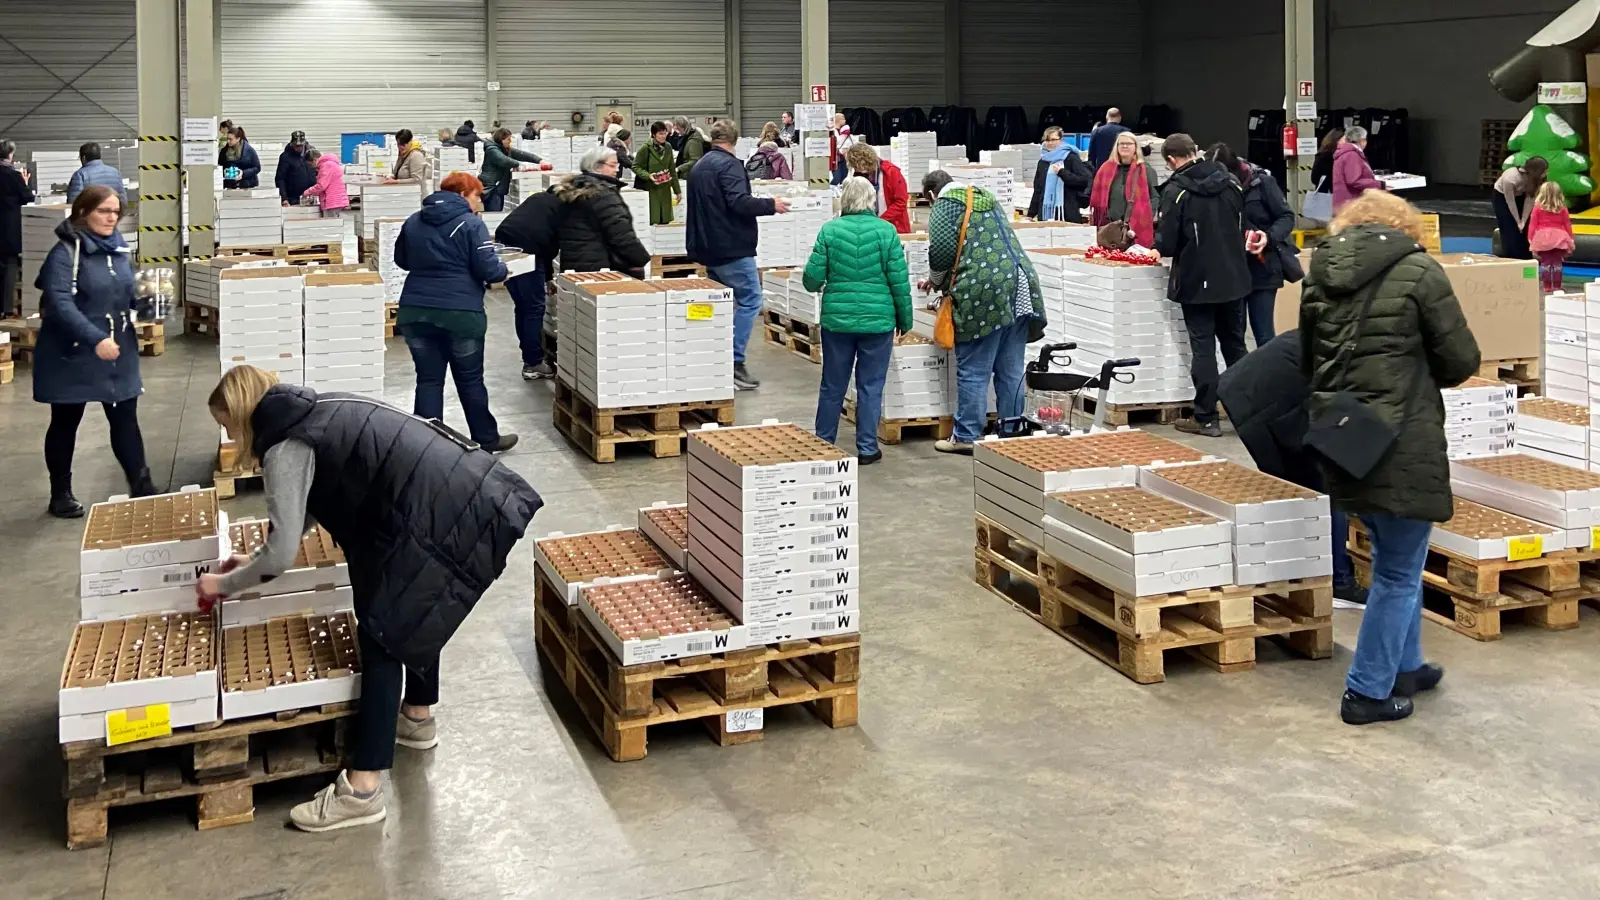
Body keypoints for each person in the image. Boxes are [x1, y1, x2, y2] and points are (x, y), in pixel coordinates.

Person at [198, 365, 542, 832]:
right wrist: (254, 559)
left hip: (434, 506)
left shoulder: (285, 447)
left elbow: (280, 556)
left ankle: (362, 790)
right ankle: (417, 717)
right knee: (419, 606)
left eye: (228, 426)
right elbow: (306, 506)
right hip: (450, 488)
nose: (230, 438)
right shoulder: (312, 410)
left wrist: (221, 586)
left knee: (383, 633)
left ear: (242, 416)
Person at [1299, 191, 1480, 726]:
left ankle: (1407, 665)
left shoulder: (1319, 274)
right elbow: (1460, 361)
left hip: (1343, 433)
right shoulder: (1420, 272)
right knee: (1399, 571)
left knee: (1393, 552)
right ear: (1405, 228)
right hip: (1402, 436)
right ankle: (1367, 691)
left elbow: (1307, 359)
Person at [1217, 332, 1367, 609]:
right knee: (1327, 487)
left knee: (1309, 479)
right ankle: (1339, 582)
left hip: (1260, 385)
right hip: (1261, 398)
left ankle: (1301, 561)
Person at [34, 184, 156, 516]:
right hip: (72, 351)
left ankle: (142, 487)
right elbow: (59, 303)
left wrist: (151, 302)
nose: (111, 217)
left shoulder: (118, 249)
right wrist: (94, 338)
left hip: (117, 350)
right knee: (65, 420)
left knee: (125, 417)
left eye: (116, 212)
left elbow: (127, 291)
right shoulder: (65, 253)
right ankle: (60, 493)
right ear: (83, 212)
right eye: (104, 211)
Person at [921, 170, 1044, 455]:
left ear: (931, 194)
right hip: (1020, 283)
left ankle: (966, 435)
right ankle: (1011, 432)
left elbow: (941, 251)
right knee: (1010, 369)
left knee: (974, 368)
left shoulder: (946, 204)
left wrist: (936, 281)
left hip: (984, 290)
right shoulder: (984, 197)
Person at [393, 172, 518, 452]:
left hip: (415, 309)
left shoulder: (414, 220)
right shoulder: (471, 224)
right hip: (460, 312)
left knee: (428, 379)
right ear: (463, 194)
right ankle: (486, 439)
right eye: (477, 196)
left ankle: (424, 446)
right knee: (470, 379)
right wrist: (505, 269)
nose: (479, 203)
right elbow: (488, 269)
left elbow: (401, 260)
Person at [803, 176, 913, 464]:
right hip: (878, 322)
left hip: (837, 322)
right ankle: (866, 448)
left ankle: (824, 443)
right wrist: (906, 319)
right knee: (870, 386)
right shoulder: (886, 232)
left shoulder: (830, 230)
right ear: (871, 201)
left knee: (832, 385)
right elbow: (899, 281)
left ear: (845, 200)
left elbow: (811, 279)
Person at [1152, 133, 1255, 438]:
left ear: (1171, 160)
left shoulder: (1176, 191)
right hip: (1234, 277)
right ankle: (1250, 414)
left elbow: (1168, 243)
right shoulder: (1231, 182)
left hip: (1197, 281)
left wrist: (1157, 246)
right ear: (1195, 151)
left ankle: (1206, 417)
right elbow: (1243, 225)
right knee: (1236, 346)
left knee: (1204, 349)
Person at [686, 119, 791, 392]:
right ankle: (734, 361)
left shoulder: (699, 166)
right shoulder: (730, 166)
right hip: (731, 247)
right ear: (735, 140)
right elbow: (739, 202)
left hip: (707, 246)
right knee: (751, 300)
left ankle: (716, 360)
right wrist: (771, 204)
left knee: (723, 305)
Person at [1209, 142, 1296, 346]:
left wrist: (1268, 237)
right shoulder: (1214, 187)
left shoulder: (1263, 183)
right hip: (1232, 270)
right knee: (1234, 336)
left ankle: (1269, 368)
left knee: (1264, 334)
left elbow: (1286, 216)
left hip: (1263, 266)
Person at [496, 184, 564, 380]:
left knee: (523, 306)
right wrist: (551, 277)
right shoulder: (562, 209)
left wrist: (548, 277)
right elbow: (550, 247)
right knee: (533, 308)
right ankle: (533, 363)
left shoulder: (538, 199)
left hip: (507, 244)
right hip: (529, 250)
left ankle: (530, 356)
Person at [554, 145, 651, 278]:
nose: (617, 169)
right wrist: (641, 258)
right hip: (600, 267)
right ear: (597, 166)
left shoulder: (576, 189)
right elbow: (621, 234)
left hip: (574, 264)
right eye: (612, 165)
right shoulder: (602, 194)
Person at [1089, 131, 1158, 248]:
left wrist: (1145, 219)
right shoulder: (1105, 169)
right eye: (1121, 143)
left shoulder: (1146, 170)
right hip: (1108, 228)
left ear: (1135, 147)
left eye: (1128, 143)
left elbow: (1155, 197)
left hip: (1135, 230)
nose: (1124, 146)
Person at [1028, 126, 1093, 223]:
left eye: (1053, 140)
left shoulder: (1071, 158)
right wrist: (1031, 214)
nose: (1050, 143)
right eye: (1047, 140)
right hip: (1046, 213)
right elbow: (1038, 190)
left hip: (1067, 211)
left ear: (1061, 140)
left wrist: (1062, 173)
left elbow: (1083, 181)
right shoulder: (1043, 161)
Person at [844, 144, 911, 234]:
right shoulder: (857, 176)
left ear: (869, 160)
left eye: (861, 164)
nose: (859, 168)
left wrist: (881, 220)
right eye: (856, 166)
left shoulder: (891, 172)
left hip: (893, 226)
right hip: (869, 227)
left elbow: (901, 202)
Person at [1492, 155, 1548, 260]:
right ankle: (1511, 256)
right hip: (1502, 197)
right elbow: (1510, 202)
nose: (1545, 174)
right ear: (1535, 171)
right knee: (1509, 225)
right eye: (1544, 171)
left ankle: (1525, 256)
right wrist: (1518, 221)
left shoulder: (1535, 180)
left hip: (1520, 196)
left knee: (1526, 226)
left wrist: (1523, 221)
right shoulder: (1510, 178)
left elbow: (1529, 200)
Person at [0, 140, 33, 316]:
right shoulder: (13, 175)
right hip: (8, 228)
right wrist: (25, 183)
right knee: (9, 266)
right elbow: (28, 198)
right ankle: (5, 308)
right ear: (10, 154)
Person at [478, 127, 542, 213]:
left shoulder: (504, 149)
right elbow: (503, 160)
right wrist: (518, 164)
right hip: (492, 188)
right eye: (508, 139)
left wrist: (539, 160)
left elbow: (521, 154)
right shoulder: (492, 150)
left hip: (498, 186)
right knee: (494, 213)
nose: (510, 141)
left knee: (497, 212)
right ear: (501, 139)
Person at [1529, 180, 1575, 293]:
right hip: (1559, 238)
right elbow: (1567, 224)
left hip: (1543, 237)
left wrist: (1530, 238)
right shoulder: (1562, 208)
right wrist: (1571, 238)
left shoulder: (1538, 208)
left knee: (1545, 263)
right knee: (1557, 263)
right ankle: (1557, 285)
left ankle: (1547, 285)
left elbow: (1533, 224)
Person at [634, 121, 680, 225]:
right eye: (660, 133)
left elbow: (672, 169)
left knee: (666, 221)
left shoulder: (668, 147)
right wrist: (647, 175)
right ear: (654, 134)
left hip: (665, 190)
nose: (663, 136)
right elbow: (635, 166)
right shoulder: (645, 148)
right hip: (651, 189)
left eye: (665, 133)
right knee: (654, 221)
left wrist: (677, 191)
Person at [1332, 125, 1385, 212]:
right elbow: (1354, 180)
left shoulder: (1345, 153)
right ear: (1362, 140)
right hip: (1352, 203)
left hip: (1345, 202)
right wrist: (1379, 184)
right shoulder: (1352, 155)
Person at [301, 147, 350, 217]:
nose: (312, 167)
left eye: (310, 164)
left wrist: (307, 192)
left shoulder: (326, 165)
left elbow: (321, 186)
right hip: (337, 200)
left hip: (332, 201)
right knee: (335, 222)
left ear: (314, 160)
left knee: (329, 222)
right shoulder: (331, 163)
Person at [275, 131, 316, 206]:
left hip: (312, 196)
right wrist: (284, 198)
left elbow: (318, 172)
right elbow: (280, 179)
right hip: (293, 198)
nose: (299, 148)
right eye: (296, 146)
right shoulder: (285, 157)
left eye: (301, 145)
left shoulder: (312, 154)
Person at [217, 125, 261, 190]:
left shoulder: (249, 150)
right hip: (229, 186)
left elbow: (257, 167)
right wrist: (225, 172)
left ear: (238, 139)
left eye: (230, 139)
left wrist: (243, 173)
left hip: (247, 185)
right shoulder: (224, 151)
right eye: (227, 139)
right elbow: (220, 166)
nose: (228, 141)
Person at [1309, 127, 1343, 198]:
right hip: (1328, 194)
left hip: (1327, 194)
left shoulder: (1322, 154)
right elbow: (1315, 178)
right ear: (1336, 140)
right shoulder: (1325, 156)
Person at [674, 116, 710, 180]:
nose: (677, 132)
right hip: (688, 174)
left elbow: (695, 160)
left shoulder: (694, 140)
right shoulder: (686, 137)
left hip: (692, 175)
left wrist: (679, 168)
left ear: (683, 127)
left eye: (678, 129)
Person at [829, 113, 858, 186]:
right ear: (838, 120)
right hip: (835, 157)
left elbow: (850, 142)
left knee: (844, 177)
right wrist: (843, 136)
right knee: (837, 177)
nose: (845, 120)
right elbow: (835, 142)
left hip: (844, 157)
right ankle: (831, 188)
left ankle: (841, 190)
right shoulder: (832, 131)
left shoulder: (846, 130)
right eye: (843, 119)